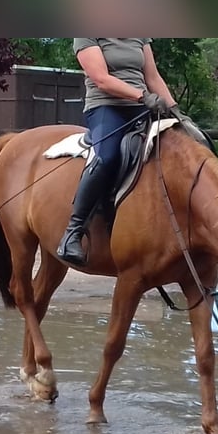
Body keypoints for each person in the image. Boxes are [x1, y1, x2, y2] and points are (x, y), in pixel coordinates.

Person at [56, 38, 179, 267]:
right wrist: (142, 96)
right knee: (107, 157)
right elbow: (102, 80)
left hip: (143, 107)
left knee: (182, 148)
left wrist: (175, 111)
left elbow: (153, 77)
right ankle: (73, 232)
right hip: (106, 107)